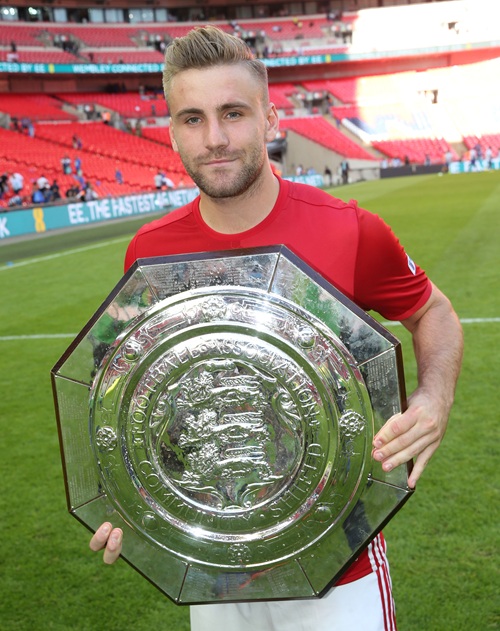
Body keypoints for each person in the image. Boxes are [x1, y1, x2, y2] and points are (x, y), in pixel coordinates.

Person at [89, 26, 463, 631]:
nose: (215, 139)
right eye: (192, 118)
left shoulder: (348, 229)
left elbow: (433, 312)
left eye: (233, 113)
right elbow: (139, 393)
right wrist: (129, 504)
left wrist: (433, 397)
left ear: (269, 118)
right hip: (211, 565)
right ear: (171, 132)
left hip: (339, 566)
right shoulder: (148, 252)